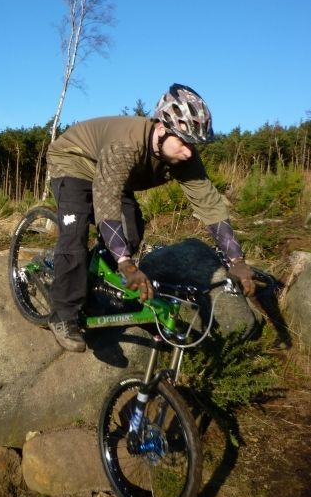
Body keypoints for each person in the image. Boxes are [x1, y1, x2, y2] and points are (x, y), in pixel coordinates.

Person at [45, 83, 256, 352]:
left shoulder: (185, 156)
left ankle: (94, 282)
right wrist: (126, 263)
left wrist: (236, 260)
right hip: (75, 161)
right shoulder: (126, 146)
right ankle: (62, 314)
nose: (189, 151)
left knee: (131, 229)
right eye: (182, 141)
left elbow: (210, 205)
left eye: (193, 143)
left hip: (112, 176)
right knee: (74, 237)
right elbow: (106, 200)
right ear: (160, 128)